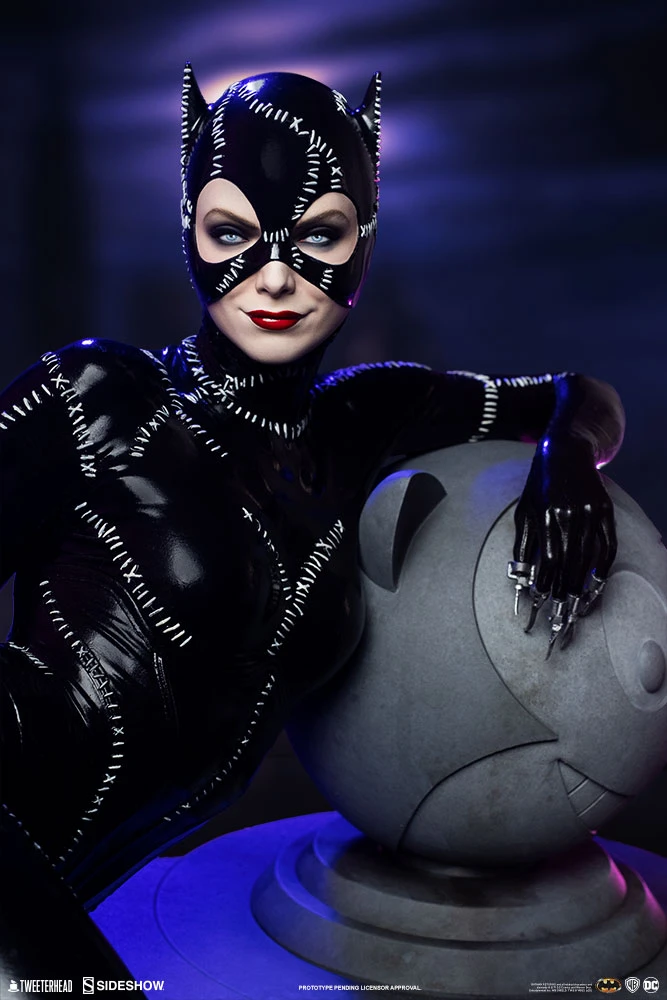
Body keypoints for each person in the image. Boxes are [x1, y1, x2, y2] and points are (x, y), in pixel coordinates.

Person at [0, 67, 624, 981]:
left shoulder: (364, 419)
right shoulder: (100, 394)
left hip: (80, 887)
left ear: (365, 237)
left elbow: (580, 395)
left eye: (319, 235)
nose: (275, 275)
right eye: (231, 233)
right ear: (189, 226)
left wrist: (567, 454)